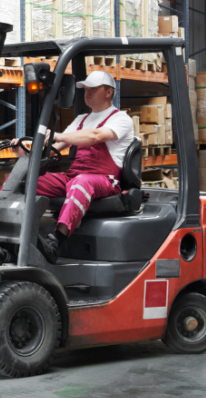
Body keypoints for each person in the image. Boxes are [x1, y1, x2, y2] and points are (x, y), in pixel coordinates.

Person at [11, 71, 135, 263]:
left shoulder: (120, 119)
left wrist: (59, 135)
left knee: (80, 182)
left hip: (105, 180)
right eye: (86, 89)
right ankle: (14, 232)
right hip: (75, 176)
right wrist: (23, 150)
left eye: (93, 89)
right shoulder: (81, 120)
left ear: (109, 92)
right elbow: (52, 149)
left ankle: (56, 242)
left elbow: (95, 136)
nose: (87, 93)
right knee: (26, 180)